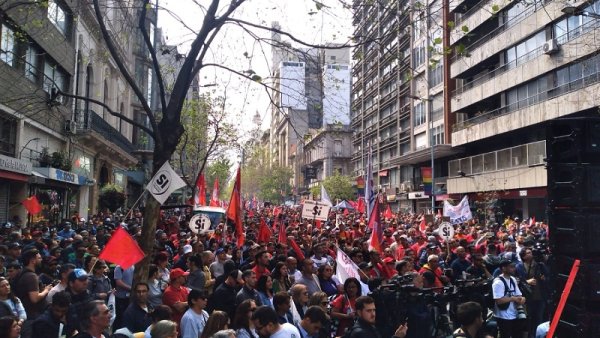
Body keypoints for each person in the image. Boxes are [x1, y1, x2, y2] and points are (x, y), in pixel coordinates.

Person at [12, 248, 52, 319]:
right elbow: (34, 298)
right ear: (33, 261)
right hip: (34, 314)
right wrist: (46, 290)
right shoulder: (31, 276)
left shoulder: (22, 273)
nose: (41, 260)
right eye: (39, 258)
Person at [493, 259, 526, 338]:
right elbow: (498, 300)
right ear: (503, 268)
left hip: (514, 314)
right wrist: (513, 299)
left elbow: (518, 294)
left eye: (514, 266)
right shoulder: (498, 282)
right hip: (503, 317)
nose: (514, 268)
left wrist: (522, 299)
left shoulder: (512, 279)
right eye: (511, 267)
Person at [113, 264, 134, 330]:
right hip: (121, 297)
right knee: (120, 317)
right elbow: (118, 282)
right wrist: (131, 289)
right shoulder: (119, 267)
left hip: (130, 297)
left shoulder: (133, 266)